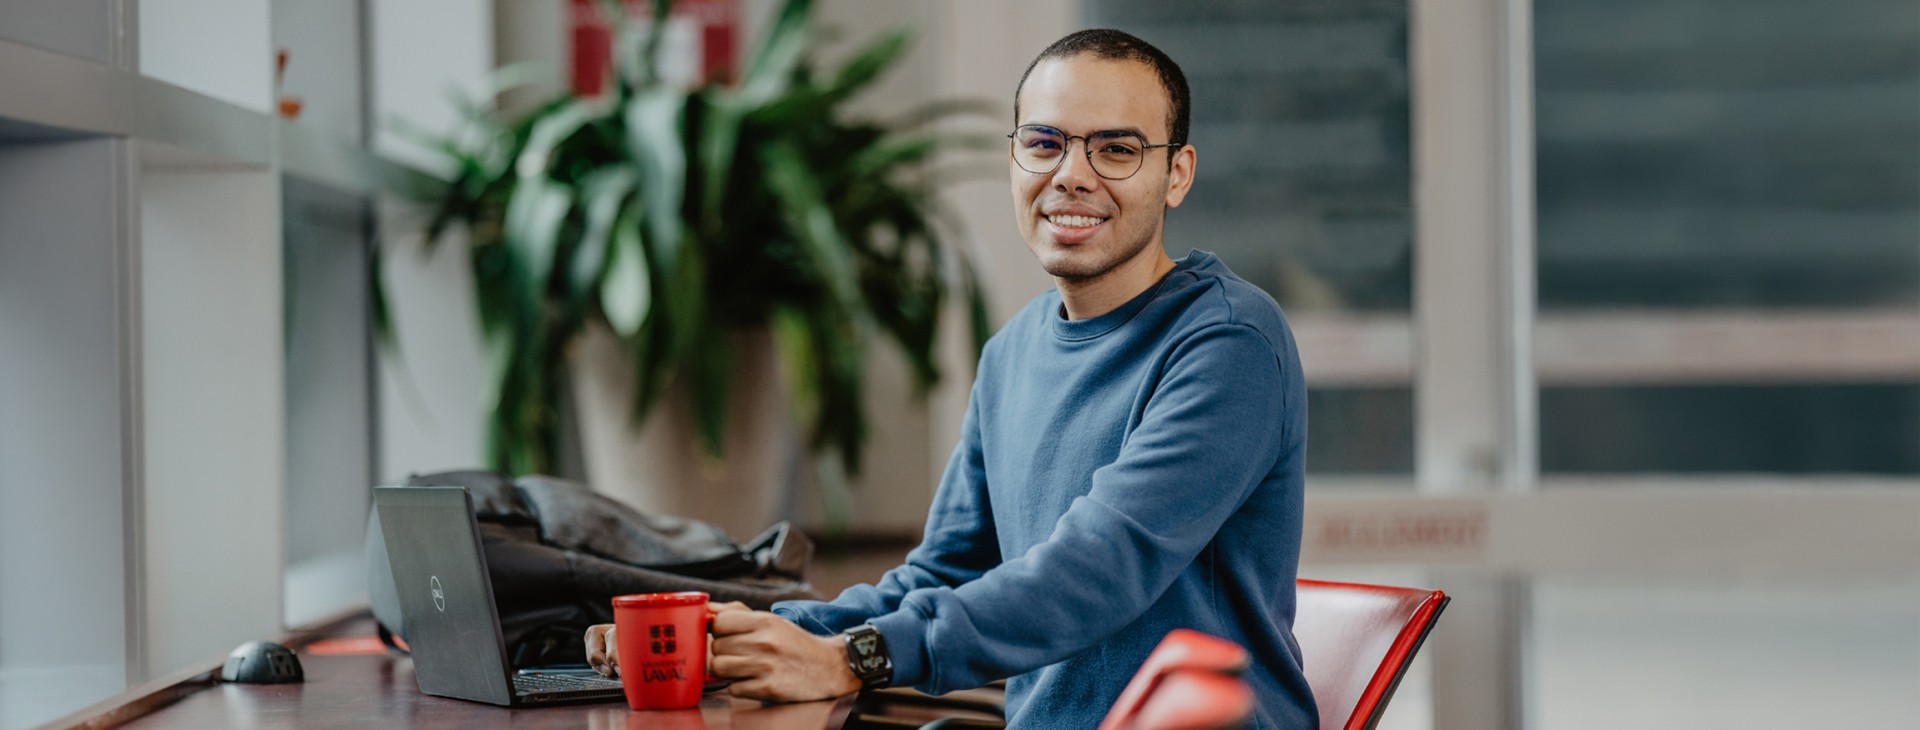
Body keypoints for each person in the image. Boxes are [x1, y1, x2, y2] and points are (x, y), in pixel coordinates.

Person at [587, 28, 1318, 728]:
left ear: (1177, 174)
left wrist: (854, 659)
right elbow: (944, 573)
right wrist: (741, 638)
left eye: (1116, 150)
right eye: (1045, 144)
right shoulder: (1012, 353)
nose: (1071, 174)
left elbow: (1098, 568)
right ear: (1014, 162)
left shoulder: (1230, 341)